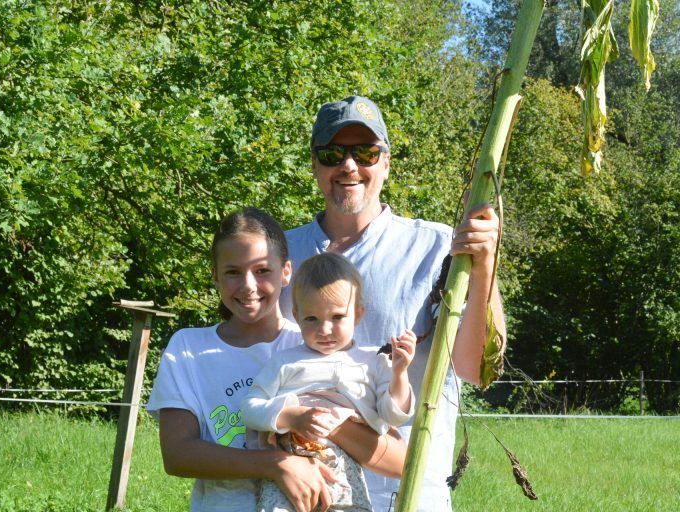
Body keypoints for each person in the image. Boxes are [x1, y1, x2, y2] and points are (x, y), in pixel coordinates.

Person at [280, 96, 506, 512]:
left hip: (406, 494)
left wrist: (484, 267)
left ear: (386, 162)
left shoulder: (439, 248)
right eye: (332, 153)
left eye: (365, 152)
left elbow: (474, 369)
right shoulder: (278, 256)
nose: (349, 166)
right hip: (296, 495)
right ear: (314, 164)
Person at [147, 207, 409, 512]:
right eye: (233, 272)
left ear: (286, 271)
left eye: (262, 270)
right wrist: (277, 464)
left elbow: (398, 461)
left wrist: (321, 421)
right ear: (215, 276)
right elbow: (178, 455)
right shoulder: (189, 348)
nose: (248, 285)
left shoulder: (320, 344)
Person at [242, 252, 417, 511]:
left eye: (337, 317)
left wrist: (400, 373)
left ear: (358, 315)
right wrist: (290, 416)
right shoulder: (285, 362)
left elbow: (394, 416)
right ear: (297, 314)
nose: (324, 330)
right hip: (289, 462)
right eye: (312, 319)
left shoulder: (373, 362)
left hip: (345, 467)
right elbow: (250, 408)